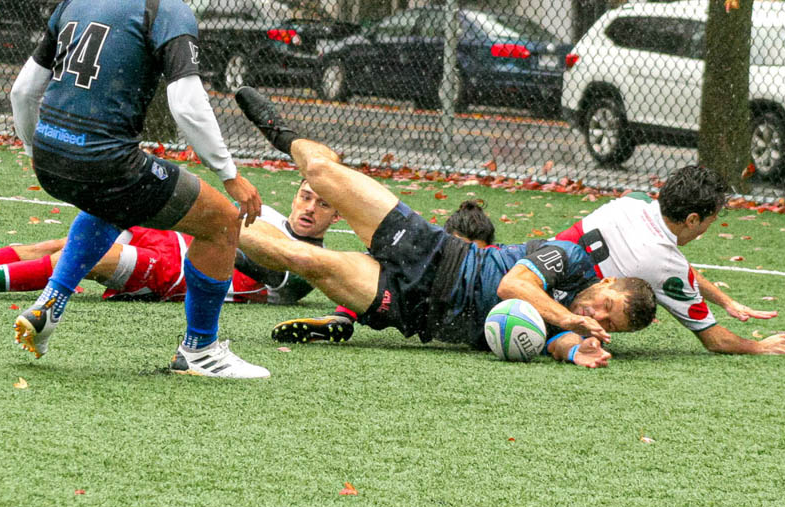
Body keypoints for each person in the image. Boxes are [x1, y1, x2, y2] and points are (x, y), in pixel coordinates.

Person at [8, 0, 266, 377]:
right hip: (105, 162)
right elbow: (187, 104)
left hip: (51, 156)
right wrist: (230, 175)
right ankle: (200, 351)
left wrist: (34, 149)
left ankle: (50, 304)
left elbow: (24, 90)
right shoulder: (167, 7)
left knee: (113, 200)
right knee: (223, 223)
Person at [232, 87, 655, 366]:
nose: (597, 315)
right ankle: (279, 131)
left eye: (610, 324)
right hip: (432, 252)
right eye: (607, 306)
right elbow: (514, 287)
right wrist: (572, 321)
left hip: (415, 310)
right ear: (608, 282)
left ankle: (209, 220)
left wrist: (575, 351)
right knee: (323, 170)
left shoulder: (569, 324)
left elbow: (548, 340)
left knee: (305, 258)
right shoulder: (572, 257)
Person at [0, 178, 338, 304]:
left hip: (182, 272)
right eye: (305, 196)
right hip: (171, 236)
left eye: (322, 205)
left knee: (89, 256)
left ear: (337, 216)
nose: (309, 208)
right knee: (63, 240)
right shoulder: (276, 216)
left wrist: (217, 225)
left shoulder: (307, 268)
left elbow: (244, 259)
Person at [550, 164, 785, 356]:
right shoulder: (666, 265)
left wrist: (724, 300)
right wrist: (760, 346)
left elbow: (671, 264)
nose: (707, 229)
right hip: (549, 319)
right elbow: (715, 340)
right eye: (711, 220)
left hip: (528, 268)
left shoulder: (631, 202)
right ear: (693, 220)